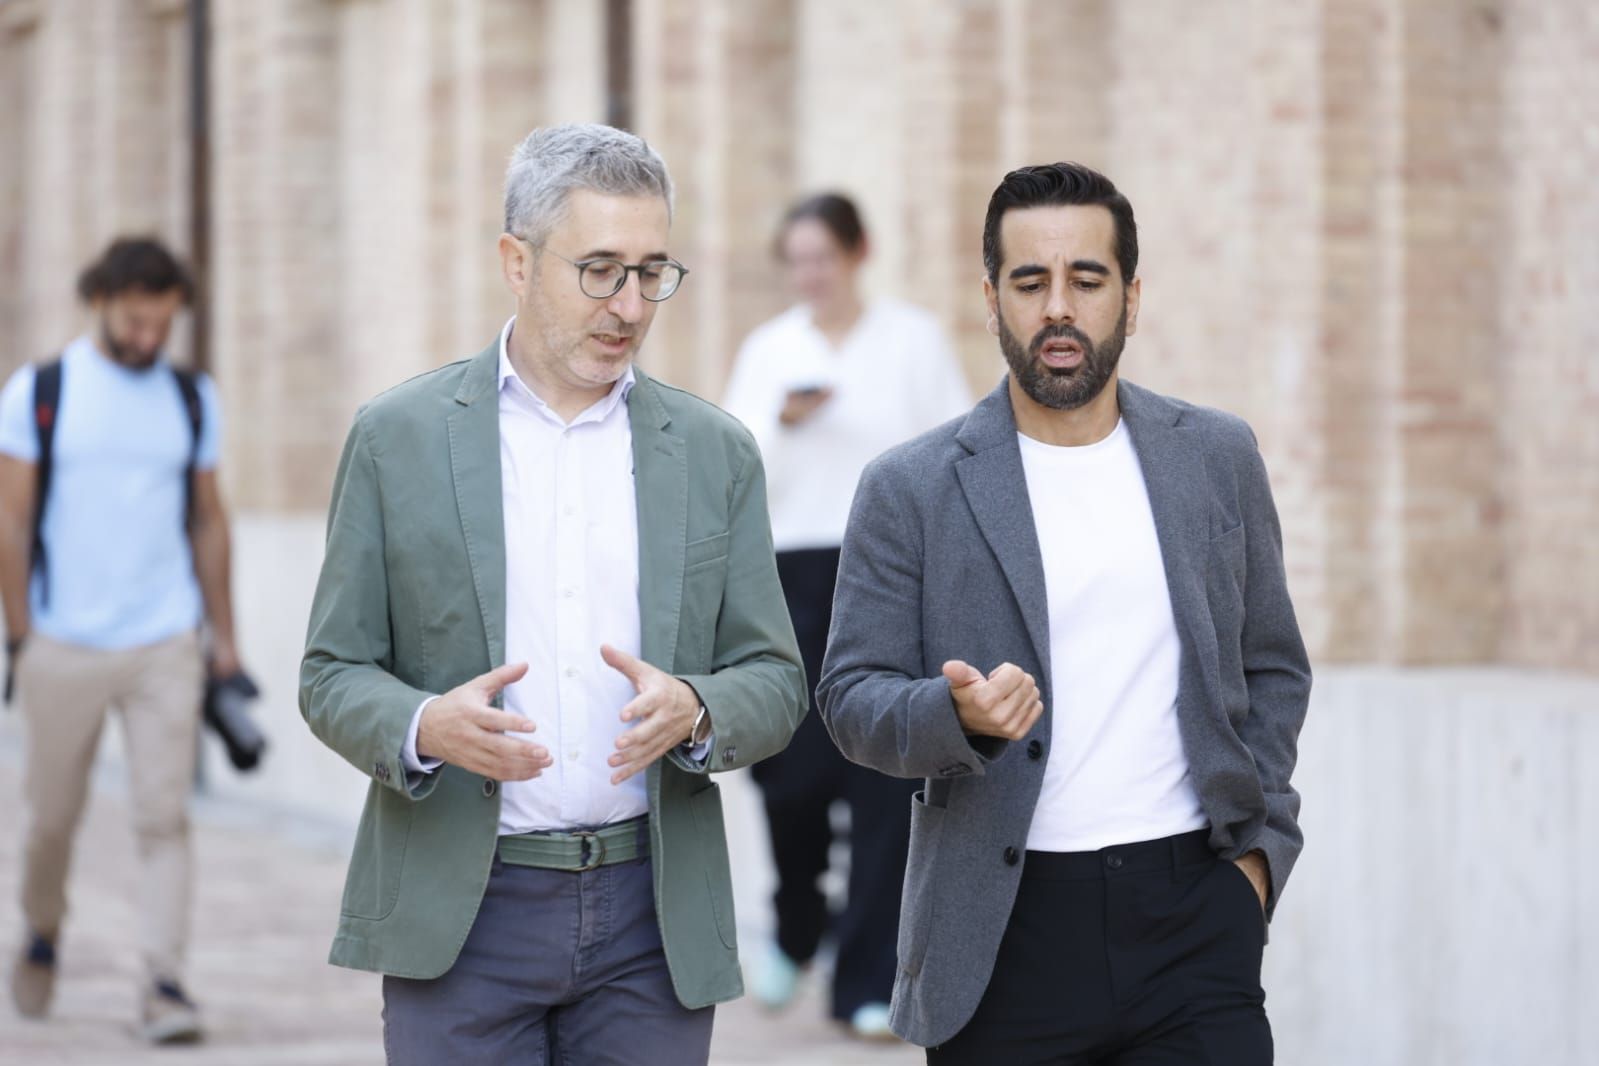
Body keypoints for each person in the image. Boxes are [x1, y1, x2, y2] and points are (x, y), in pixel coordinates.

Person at [299, 123, 806, 1065]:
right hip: (462, 912)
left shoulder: (713, 452)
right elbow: (331, 671)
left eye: (652, 271)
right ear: (516, 262)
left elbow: (775, 677)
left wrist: (698, 708)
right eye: (600, 269)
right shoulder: (395, 438)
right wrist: (422, 726)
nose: (629, 305)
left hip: (650, 923)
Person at [817, 162, 1312, 1063]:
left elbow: (1271, 662)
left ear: (1129, 296)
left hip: (1194, 916)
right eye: (1030, 281)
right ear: (991, 297)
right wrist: (951, 716)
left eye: (1086, 279)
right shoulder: (911, 487)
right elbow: (848, 699)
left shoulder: (1214, 456)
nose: (1058, 307)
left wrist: (1255, 861)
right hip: (1000, 936)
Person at [721, 192, 970, 1038]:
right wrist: (780, 422)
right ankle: (796, 923)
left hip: (891, 577)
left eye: (821, 257)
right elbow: (733, 466)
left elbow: (959, 452)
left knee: (882, 786)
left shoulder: (913, 340)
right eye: (795, 261)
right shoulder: (769, 349)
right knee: (788, 775)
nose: (810, 275)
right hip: (788, 575)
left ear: (857, 252)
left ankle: (864, 982)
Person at [0, 237, 241, 1044]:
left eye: (161, 325)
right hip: (62, 641)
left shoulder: (190, 396)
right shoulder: (40, 390)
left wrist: (225, 642)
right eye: (136, 321)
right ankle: (41, 928)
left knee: (163, 817)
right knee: (50, 824)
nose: (147, 339)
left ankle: (165, 984)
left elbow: (209, 518)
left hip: (162, 642)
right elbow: (11, 516)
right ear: (99, 300)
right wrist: (24, 634)